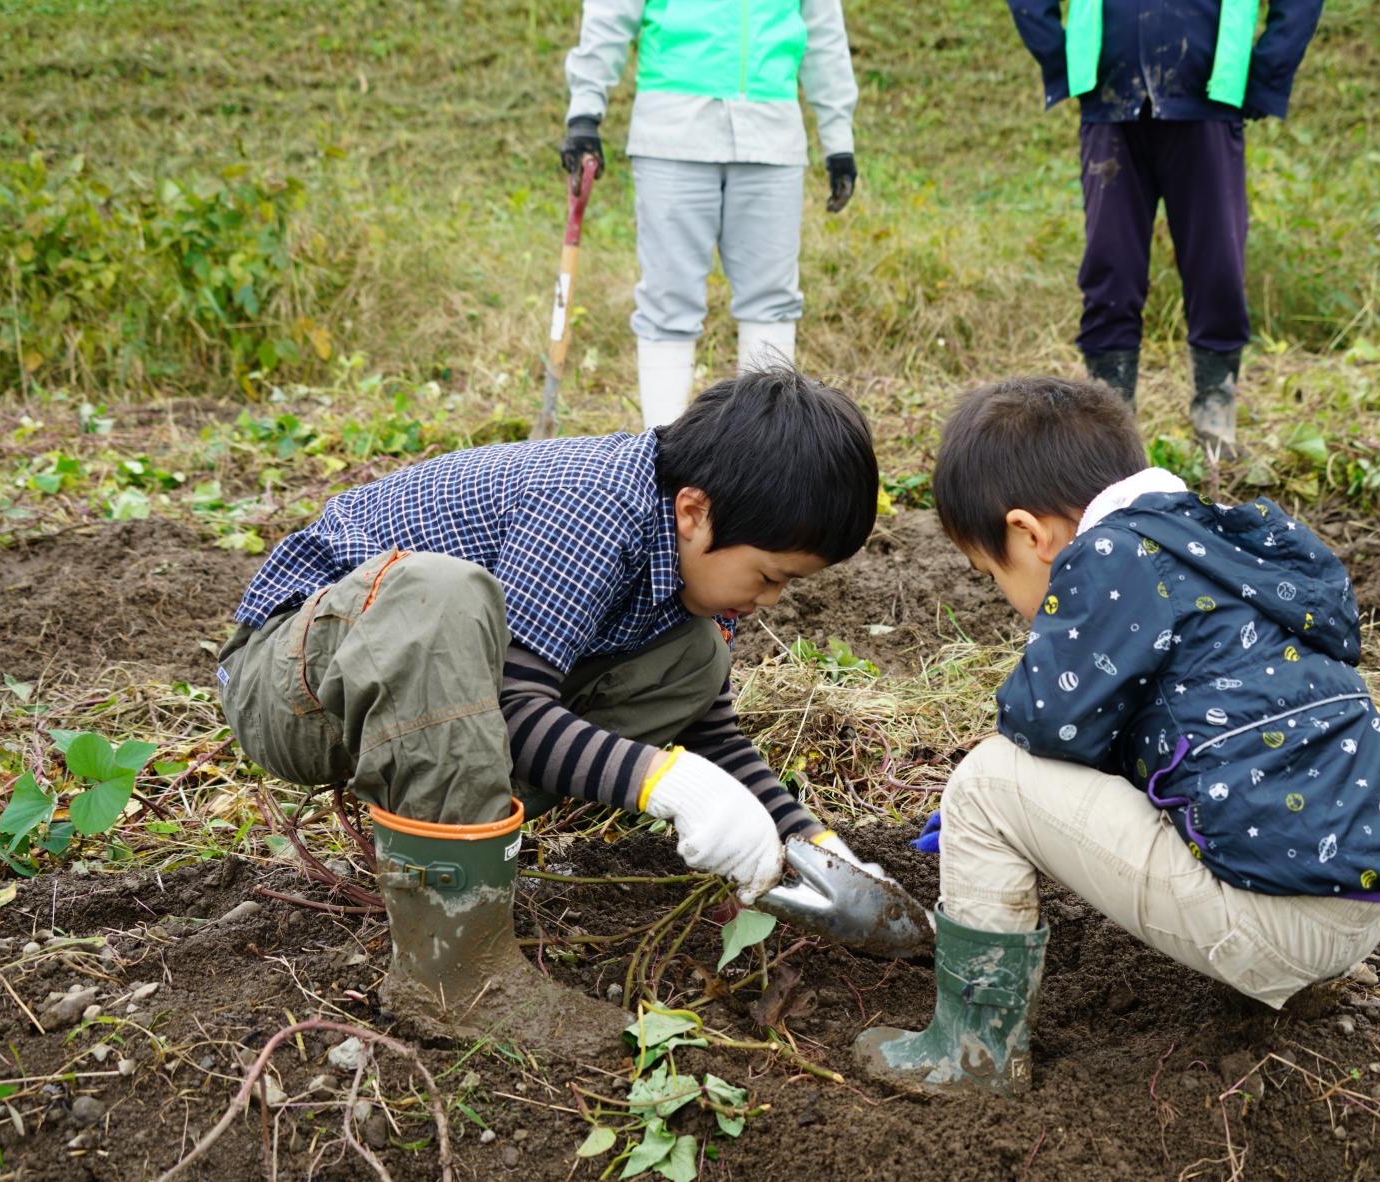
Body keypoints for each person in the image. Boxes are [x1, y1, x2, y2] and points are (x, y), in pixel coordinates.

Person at [216, 368, 883, 1057]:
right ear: (693, 511)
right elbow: (511, 710)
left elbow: (706, 728)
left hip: (426, 694)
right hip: (298, 679)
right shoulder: (591, 502)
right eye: (770, 576)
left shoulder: (693, 562)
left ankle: (453, 840)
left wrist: (815, 847)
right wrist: (668, 785)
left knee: (695, 654)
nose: (770, 599)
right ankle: (453, 981)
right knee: (442, 591)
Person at [855, 376, 1380, 1097]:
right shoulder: (1225, 543)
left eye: (991, 574)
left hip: (1270, 927)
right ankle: (1295, 973)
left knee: (985, 783)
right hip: (1363, 907)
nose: (1010, 603)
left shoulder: (1112, 558)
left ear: (1029, 535)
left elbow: (1043, 722)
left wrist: (996, 803)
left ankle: (972, 1056)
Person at [1004, 0, 1324, 455]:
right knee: (1109, 265)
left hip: (1209, 100)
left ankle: (1215, 414)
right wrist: (1065, 57)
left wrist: (1264, 74)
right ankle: (1111, 427)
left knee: (1218, 264)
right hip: (1110, 101)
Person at [561, 0, 859, 430]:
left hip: (770, 138)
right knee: (668, 302)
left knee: (771, 301)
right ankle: (661, 456)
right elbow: (610, 13)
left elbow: (824, 33)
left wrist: (838, 139)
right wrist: (585, 113)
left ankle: (763, 453)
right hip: (672, 136)